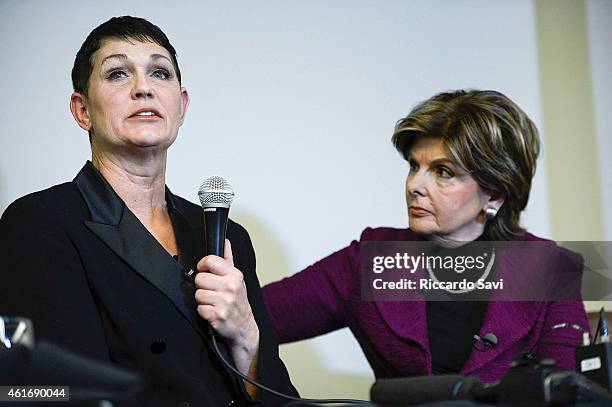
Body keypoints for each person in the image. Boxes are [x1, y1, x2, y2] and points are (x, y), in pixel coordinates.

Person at [0, 16, 296, 406]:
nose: (144, 88)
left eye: (159, 72)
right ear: (82, 109)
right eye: (119, 73)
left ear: (181, 104)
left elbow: (282, 399)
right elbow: (51, 394)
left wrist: (246, 338)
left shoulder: (229, 237)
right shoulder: (39, 224)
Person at [262, 90, 589, 383]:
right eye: (414, 166)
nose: (414, 186)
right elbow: (252, 318)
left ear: (495, 194)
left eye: (443, 172)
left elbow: (567, 390)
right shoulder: (369, 261)